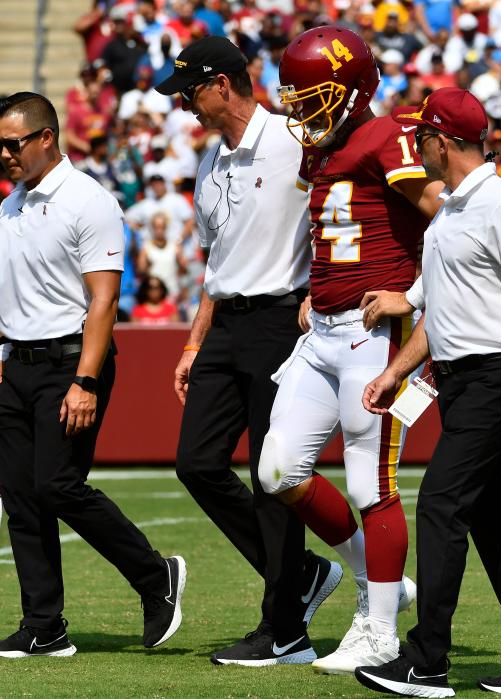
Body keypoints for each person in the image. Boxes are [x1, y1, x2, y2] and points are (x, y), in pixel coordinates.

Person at [356, 87, 501, 697]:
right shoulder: (451, 209)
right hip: (459, 378)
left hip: (495, 375)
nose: (414, 143)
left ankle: (426, 661)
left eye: (421, 134)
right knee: (498, 519)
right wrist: (396, 369)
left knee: (440, 504)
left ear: (445, 140)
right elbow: (438, 307)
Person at [257, 26, 444, 675]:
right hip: (324, 330)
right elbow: (339, 230)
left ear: (354, 90)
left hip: (374, 333)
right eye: (297, 97)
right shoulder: (325, 148)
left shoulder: (385, 135)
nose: (301, 110)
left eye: (314, 96)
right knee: (278, 469)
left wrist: (414, 294)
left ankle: (383, 629)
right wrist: (316, 288)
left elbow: (447, 214)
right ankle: (380, 579)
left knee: (372, 483)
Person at [156, 37, 341, 668]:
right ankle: (303, 579)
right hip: (225, 325)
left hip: (278, 320)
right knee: (197, 463)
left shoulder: (295, 136)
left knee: (271, 479)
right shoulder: (210, 163)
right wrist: (193, 340)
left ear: (222, 85)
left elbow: (340, 211)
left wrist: (323, 287)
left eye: (189, 91)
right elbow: (217, 262)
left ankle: (284, 630)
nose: (185, 106)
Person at [0, 91, 185, 659]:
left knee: (57, 486)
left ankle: (155, 577)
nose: (4, 153)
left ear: (47, 137)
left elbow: (103, 300)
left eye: (12, 142)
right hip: (18, 363)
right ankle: (43, 625)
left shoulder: (88, 200)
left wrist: (86, 381)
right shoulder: (10, 205)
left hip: (71, 362)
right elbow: (12, 297)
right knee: (21, 497)